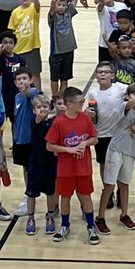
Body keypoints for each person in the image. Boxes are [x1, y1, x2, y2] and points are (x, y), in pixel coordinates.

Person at [45, 87, 101, 244]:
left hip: (83, 167)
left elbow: (94, 138)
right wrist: (69, 150)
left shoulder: (85, 118)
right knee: (65, 197)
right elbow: (50, 146)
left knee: (86, 197)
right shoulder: (59, 122)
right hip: (66, 169)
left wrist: (85, 142)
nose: (83, 104)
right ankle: (64, 225)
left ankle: (91, 226)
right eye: (80, 102)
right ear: (69, 104)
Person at [96, 83, 135, 234]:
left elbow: (133, 133)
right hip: (115, 150)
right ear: (127, 96)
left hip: (129, 151)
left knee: (124, 184)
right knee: (109, 185)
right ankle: (100, 217)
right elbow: (128, 105)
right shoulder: (124, 106)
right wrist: (130, 100)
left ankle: (124, 214)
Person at [85, 62, 128, 210]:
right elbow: (91, 114)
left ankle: (121, 191)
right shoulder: (93, 94)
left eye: (106, 72)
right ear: (96, 76)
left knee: (121, 165)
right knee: (104, 165)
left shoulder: (122, 89)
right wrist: (88, 114)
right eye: (100, 72)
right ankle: (108, 192)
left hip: (119, 135)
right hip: (101, 134)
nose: (103, 74)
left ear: (112, 75)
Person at [23, 94, 60, 236]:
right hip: (35, 163)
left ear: (50, 108)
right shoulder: (34, 121)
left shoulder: (53, 123)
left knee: (51, 192)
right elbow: (38, 120)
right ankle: (31, 218)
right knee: (31, 193)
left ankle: (50, 216)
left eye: (45, 107)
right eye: (39, 107)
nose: (42, 110)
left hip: (50, 162)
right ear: (34, 110)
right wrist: (40, 115)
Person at [9, 0, 42, 91]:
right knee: (18, 75)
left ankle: (38, 94)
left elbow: (37, 5)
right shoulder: (15, 12)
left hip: (32, 47)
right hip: (18, 49)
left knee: (35, 73)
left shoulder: (34, 8)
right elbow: (12, 30)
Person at [46, 0, 78, 99]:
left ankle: (62, 98)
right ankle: (55, 98)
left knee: (65, 78)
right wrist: (53, 2)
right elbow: (51, 9)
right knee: (54, 78)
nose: (61, 7)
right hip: (56, 52)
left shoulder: (68, 13)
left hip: (69, 50)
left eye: (64, 5)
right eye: (58, 5)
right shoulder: (52, 16)